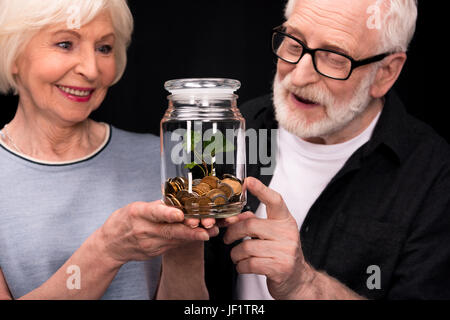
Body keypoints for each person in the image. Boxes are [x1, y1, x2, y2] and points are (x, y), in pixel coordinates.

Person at [205, 0, 450, 300]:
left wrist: (305, 285)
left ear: (386, 72)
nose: (298, 77)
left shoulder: (434, 174)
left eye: (334, 57)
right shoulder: (233, 131)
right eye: (294, 43)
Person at [0, 0, 218, 300]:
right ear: (13, 54)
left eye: (104, 48)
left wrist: (186, 244)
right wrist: (107, 250)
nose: (91, 70)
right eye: (65, 44)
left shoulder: (161, 160)